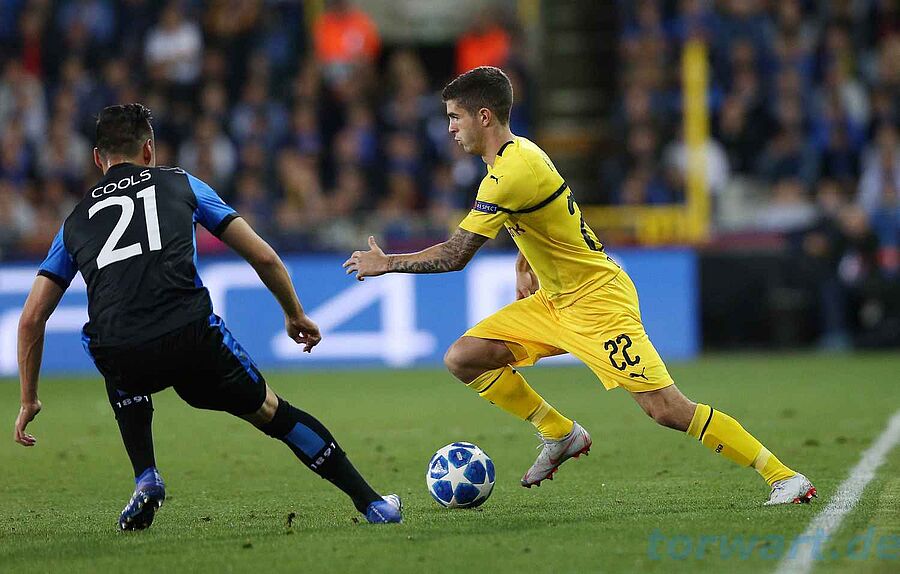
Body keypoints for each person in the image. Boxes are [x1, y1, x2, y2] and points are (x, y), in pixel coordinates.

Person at [344, 67, 816, 505]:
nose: (449, 128)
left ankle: (783, 476)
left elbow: (455, 255)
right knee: (464, 357)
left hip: (596, 302)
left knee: (667, 409)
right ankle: (559, 432)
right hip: (554, 301)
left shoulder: (510, 172)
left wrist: (388, 263)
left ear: (483, 116)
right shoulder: (518, 155)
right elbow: (545, 220)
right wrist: (524, 263)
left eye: (455, 117)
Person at [13, 104, 401, 530]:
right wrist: (294, 314)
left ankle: (146, 475)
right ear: (149, 150)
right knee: (273, 413)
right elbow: (263, 256)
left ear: (96, 159)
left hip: (125, 353)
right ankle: (373, 504)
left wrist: (29, 398)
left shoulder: (74, 222)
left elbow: (31, 319)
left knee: (107, 342)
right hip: (192, 338)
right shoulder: (181, 183)